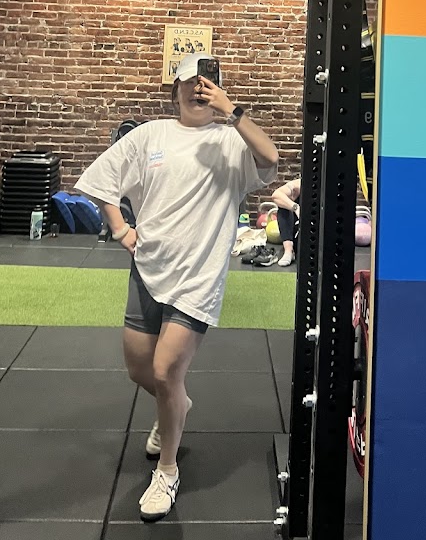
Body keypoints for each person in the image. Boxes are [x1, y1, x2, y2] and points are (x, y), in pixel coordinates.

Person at [74, 52, 278, 522]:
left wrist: (233, 111)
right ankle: (176, 408)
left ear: (217, 91)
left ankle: (166, 471)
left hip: (198, 277)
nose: (197, 90)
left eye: (206, 84)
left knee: (166, 372)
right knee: (140, 370)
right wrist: (122, 230)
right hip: (148, 269)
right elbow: (102, 179)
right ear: (175, 91)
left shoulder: (230, 141)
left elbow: (270, 157)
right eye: (189, 83)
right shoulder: (151, 135)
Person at [270, 178, 301, 266]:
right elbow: (276, 195)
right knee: (283, 207)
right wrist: (296, 208)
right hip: (298, 233)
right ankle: (288, 251)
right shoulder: (299, 185)